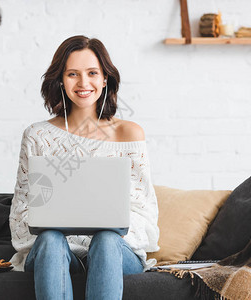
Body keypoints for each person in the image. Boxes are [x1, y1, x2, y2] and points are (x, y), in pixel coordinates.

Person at [9, 35, 159, 300]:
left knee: (106, 239)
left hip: (114, 251)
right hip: (53, 250)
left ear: (105, 79)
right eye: (72, 74)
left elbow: (144, 211)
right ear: (60, 80)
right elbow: (22, 211)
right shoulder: (37, 135)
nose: (83, 83)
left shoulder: (129, 133)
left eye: (92, 73)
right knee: (51, 239)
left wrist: (104, 228)